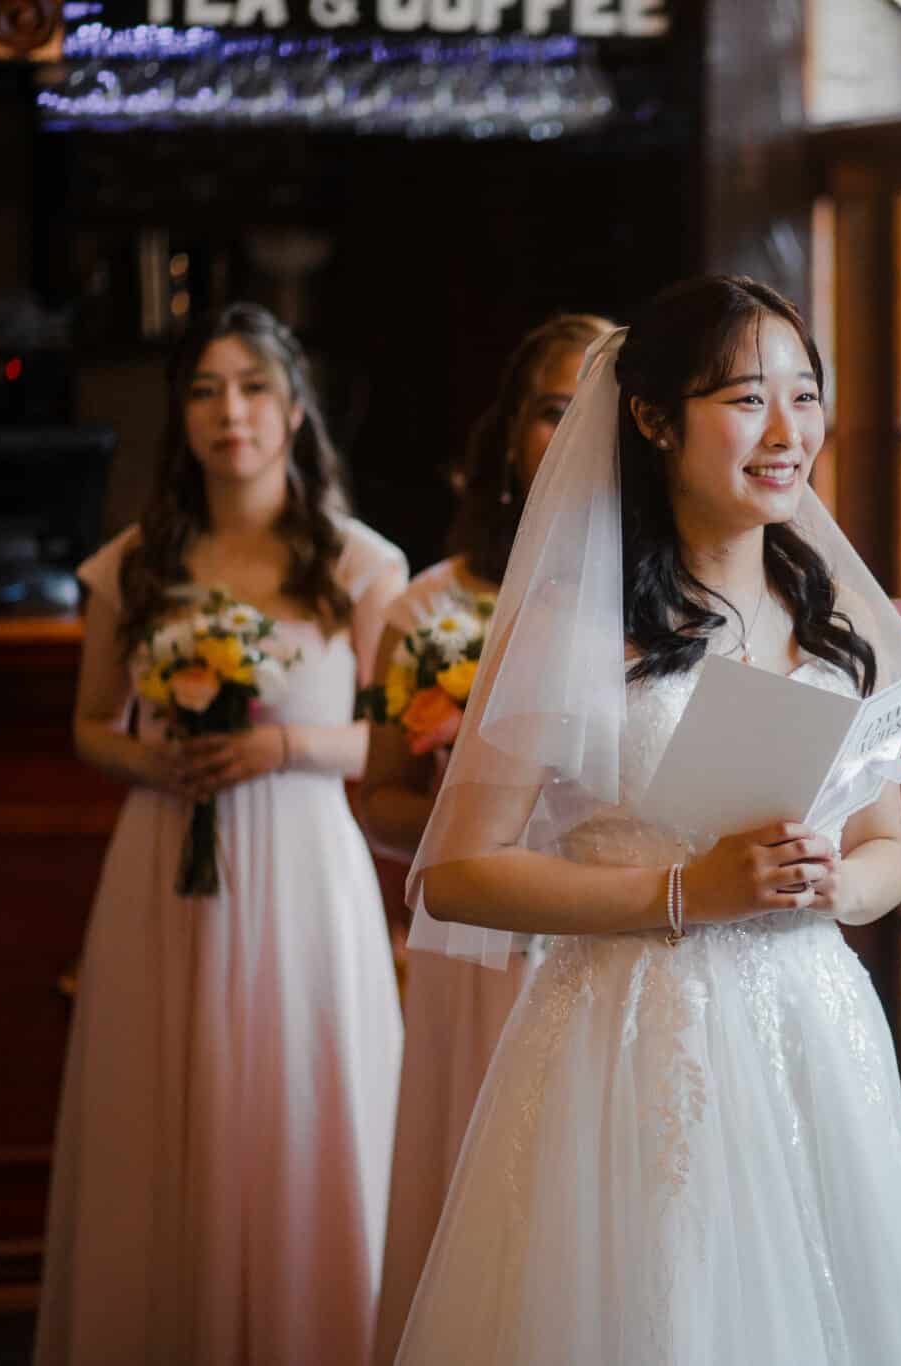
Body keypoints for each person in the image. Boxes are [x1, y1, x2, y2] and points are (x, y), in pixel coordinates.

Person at [392, 276, 901, 1364]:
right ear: (655, 419)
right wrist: (679, 893)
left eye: (804, 396)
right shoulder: (575, 624)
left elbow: (889, 850)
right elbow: (456, 874)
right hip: (630, 1030)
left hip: (810, 1020)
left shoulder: (834, 618)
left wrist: (833, 884)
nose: (786, 431)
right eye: (746, 398)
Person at [38, 302, 407, 1366]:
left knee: (301, 1097)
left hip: (303, 862)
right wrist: (156, 759)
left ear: (293, 411)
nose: (226, 411)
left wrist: (279, 750)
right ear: (181, 417)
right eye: (203, 390)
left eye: (250, 387)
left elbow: (384, 741)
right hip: (163, 860)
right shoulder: (134, 562)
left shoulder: (357, 563)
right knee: (162, 1100)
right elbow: (89, 724)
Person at [361, 311, 613, 1366]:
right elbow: (375, 800)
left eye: (599, 407)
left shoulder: (670, 608)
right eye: (555, 408)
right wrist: (481, 802)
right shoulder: (428, 607)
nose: (577, 430)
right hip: (474, 953)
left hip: (609, 938)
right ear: (511, 437)